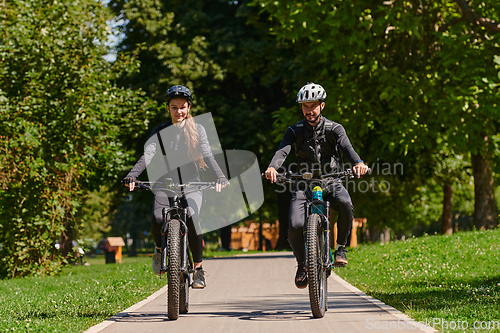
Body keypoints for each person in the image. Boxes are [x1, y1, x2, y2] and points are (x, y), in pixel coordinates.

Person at [122, 85, 228, 289]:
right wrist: (132, 175)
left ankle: (198, 269)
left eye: (182, 107)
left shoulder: (198, 130)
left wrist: (220, 176)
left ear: (188, 108)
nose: (178, 111)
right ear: (168, 108)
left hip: (192, 184)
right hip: (165, 184)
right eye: (174, 107)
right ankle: (160, 249)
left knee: (193, 218)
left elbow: (206, 153)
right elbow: (149, 154)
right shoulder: (160, 131)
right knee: (157, 218)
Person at [265, 82, 368, 289]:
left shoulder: (335, 129)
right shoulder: (294, 131)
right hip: (304, 183)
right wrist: (272, 167)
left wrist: (358, 163)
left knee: (346, 203)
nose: (309, 110)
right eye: (305, 106)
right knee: (294, 225)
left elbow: (347, 148)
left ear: (322, 105)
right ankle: (303, 264)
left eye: (313, 105)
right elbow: (282, 152)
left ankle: (340, 248)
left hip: (331, 181)